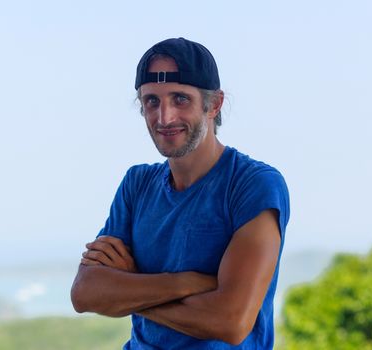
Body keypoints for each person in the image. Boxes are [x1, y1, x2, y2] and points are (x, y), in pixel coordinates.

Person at [71, 37, 290, 349]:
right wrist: (185, 283)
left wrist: (131, 287)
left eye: (180, 99)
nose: (165, 118)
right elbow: (85, 293)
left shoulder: (251, 184)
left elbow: (231, 321)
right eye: (152, 102)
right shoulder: (137, 184)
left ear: (214, 104)